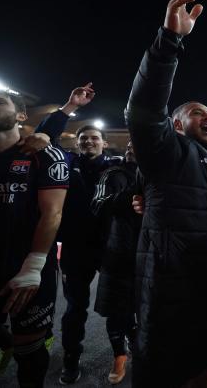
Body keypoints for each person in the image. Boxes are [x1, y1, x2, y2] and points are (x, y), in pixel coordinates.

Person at [124, 0, 207, 388]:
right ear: (175, 123)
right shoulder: (167, 151)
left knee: (206, 366)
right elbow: (143, 110)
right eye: (197, 111)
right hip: (171, 297)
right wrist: (170, 39)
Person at [35, 83, 122, 384]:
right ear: (77, 144)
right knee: (75, 307)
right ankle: (71, 358)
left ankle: (120, 355)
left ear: (103, 143)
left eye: (94, 138)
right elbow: (44, 136)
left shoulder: (116, 166)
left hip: (112, 247)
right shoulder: (66, 162)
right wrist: (70, 106)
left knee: (119, 305)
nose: (88, 142)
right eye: (83, 139)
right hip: (75, 248)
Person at [0, 91, 69, 387]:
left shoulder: (44, 155)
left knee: (31, 355)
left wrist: (33, 266)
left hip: (27, 269)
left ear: (21, 115)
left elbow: (52, 214)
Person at [91, 141, 141, 384]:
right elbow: (97, 206)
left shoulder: (160, 174)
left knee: (146, 308)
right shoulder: (112, 174)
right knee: (117, 310)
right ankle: (119, 355)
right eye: (129, 146)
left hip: (151, 254)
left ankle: (138, 345)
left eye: (138, 145)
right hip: (118, 253)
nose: (132, 148)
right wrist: (130, 196)